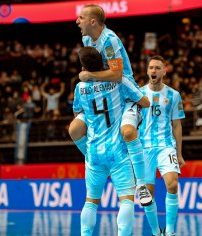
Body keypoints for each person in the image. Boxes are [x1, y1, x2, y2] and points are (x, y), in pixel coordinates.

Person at [70, 3, 153, 206]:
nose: (77, 21)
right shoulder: (86, 38)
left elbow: (117, 75)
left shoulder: (110, 41)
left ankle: (140, 181)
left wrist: (89, 76)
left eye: (80, 18)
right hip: (100, 92)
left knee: (127, 132)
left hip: (122, 92)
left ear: (92, 22)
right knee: (75, 129)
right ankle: (97, 161)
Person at [73, 47, 140, 236]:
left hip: (94, 150)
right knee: (126, 199)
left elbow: (78, 113)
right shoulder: (117, 83)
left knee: (91, 201)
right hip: (118, 150)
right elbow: (140, 100)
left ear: (84, 66)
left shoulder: (80, 87)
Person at [140, 55, 186, 236]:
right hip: (144, 149)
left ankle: (171, 231)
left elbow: (177, 125)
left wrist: (179, 154)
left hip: (166, 145)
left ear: (164, 71)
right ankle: (155, 232)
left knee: (172, 184)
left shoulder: (174, 95)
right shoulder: (139, 94)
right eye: (151, 67)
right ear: (147, 71)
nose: (154, 71)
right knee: (147, 195)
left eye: (157, 68)